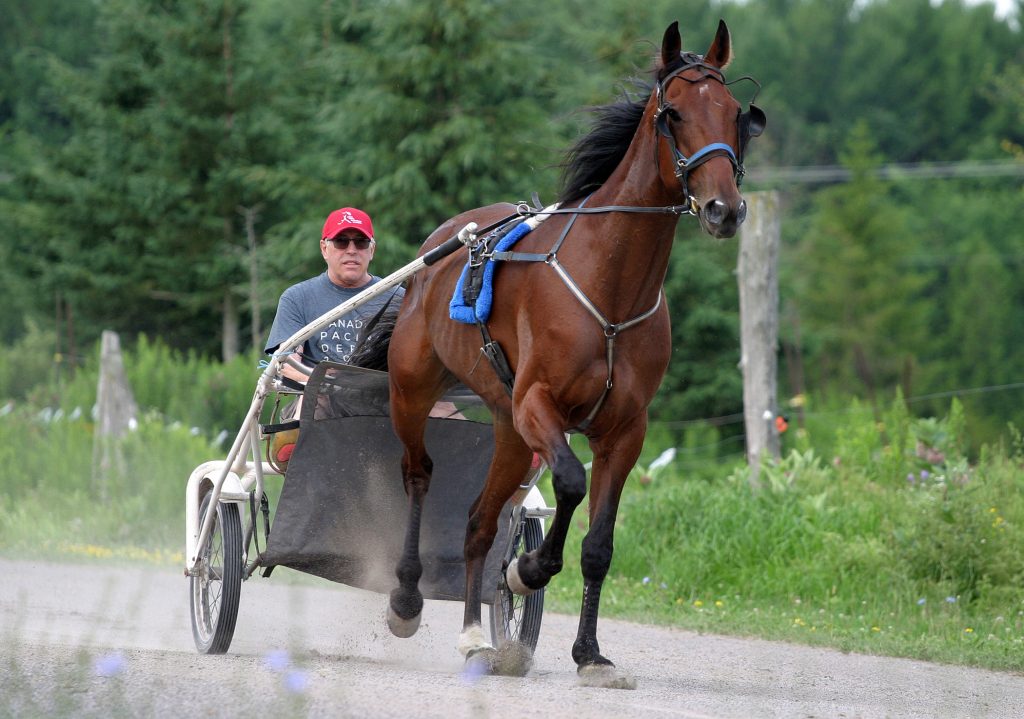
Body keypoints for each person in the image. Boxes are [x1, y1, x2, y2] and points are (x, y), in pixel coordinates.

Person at [264, 206, 404, 468]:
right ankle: (307, 480)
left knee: (442, 410)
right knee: (316, 400)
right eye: (341, 241)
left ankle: (458, 494)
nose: (351, 249)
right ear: (324, 248)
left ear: (371, 250)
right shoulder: (298, 298)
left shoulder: (398, 298)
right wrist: (327, 383)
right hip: (322, 396)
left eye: (360, 242)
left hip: (384, 398)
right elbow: (286, 363)